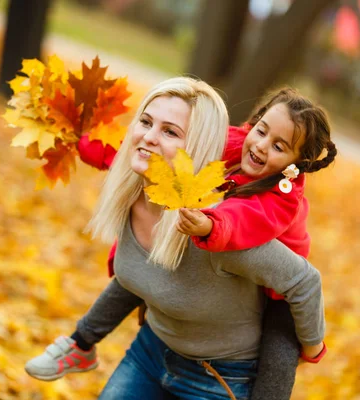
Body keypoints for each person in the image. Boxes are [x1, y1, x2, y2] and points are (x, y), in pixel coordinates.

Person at [26, 78, 327, 399]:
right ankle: (79, 344)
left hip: (259, 309)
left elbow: (248, 221)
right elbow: (122, 155)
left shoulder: (281, 196)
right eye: (262, 131)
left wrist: (311, 344)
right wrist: (80, 139)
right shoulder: (221, 149)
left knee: (279, 346)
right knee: (145, 267)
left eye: (279, 147)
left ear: (296, 164)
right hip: (154, 349)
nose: (263, 145)